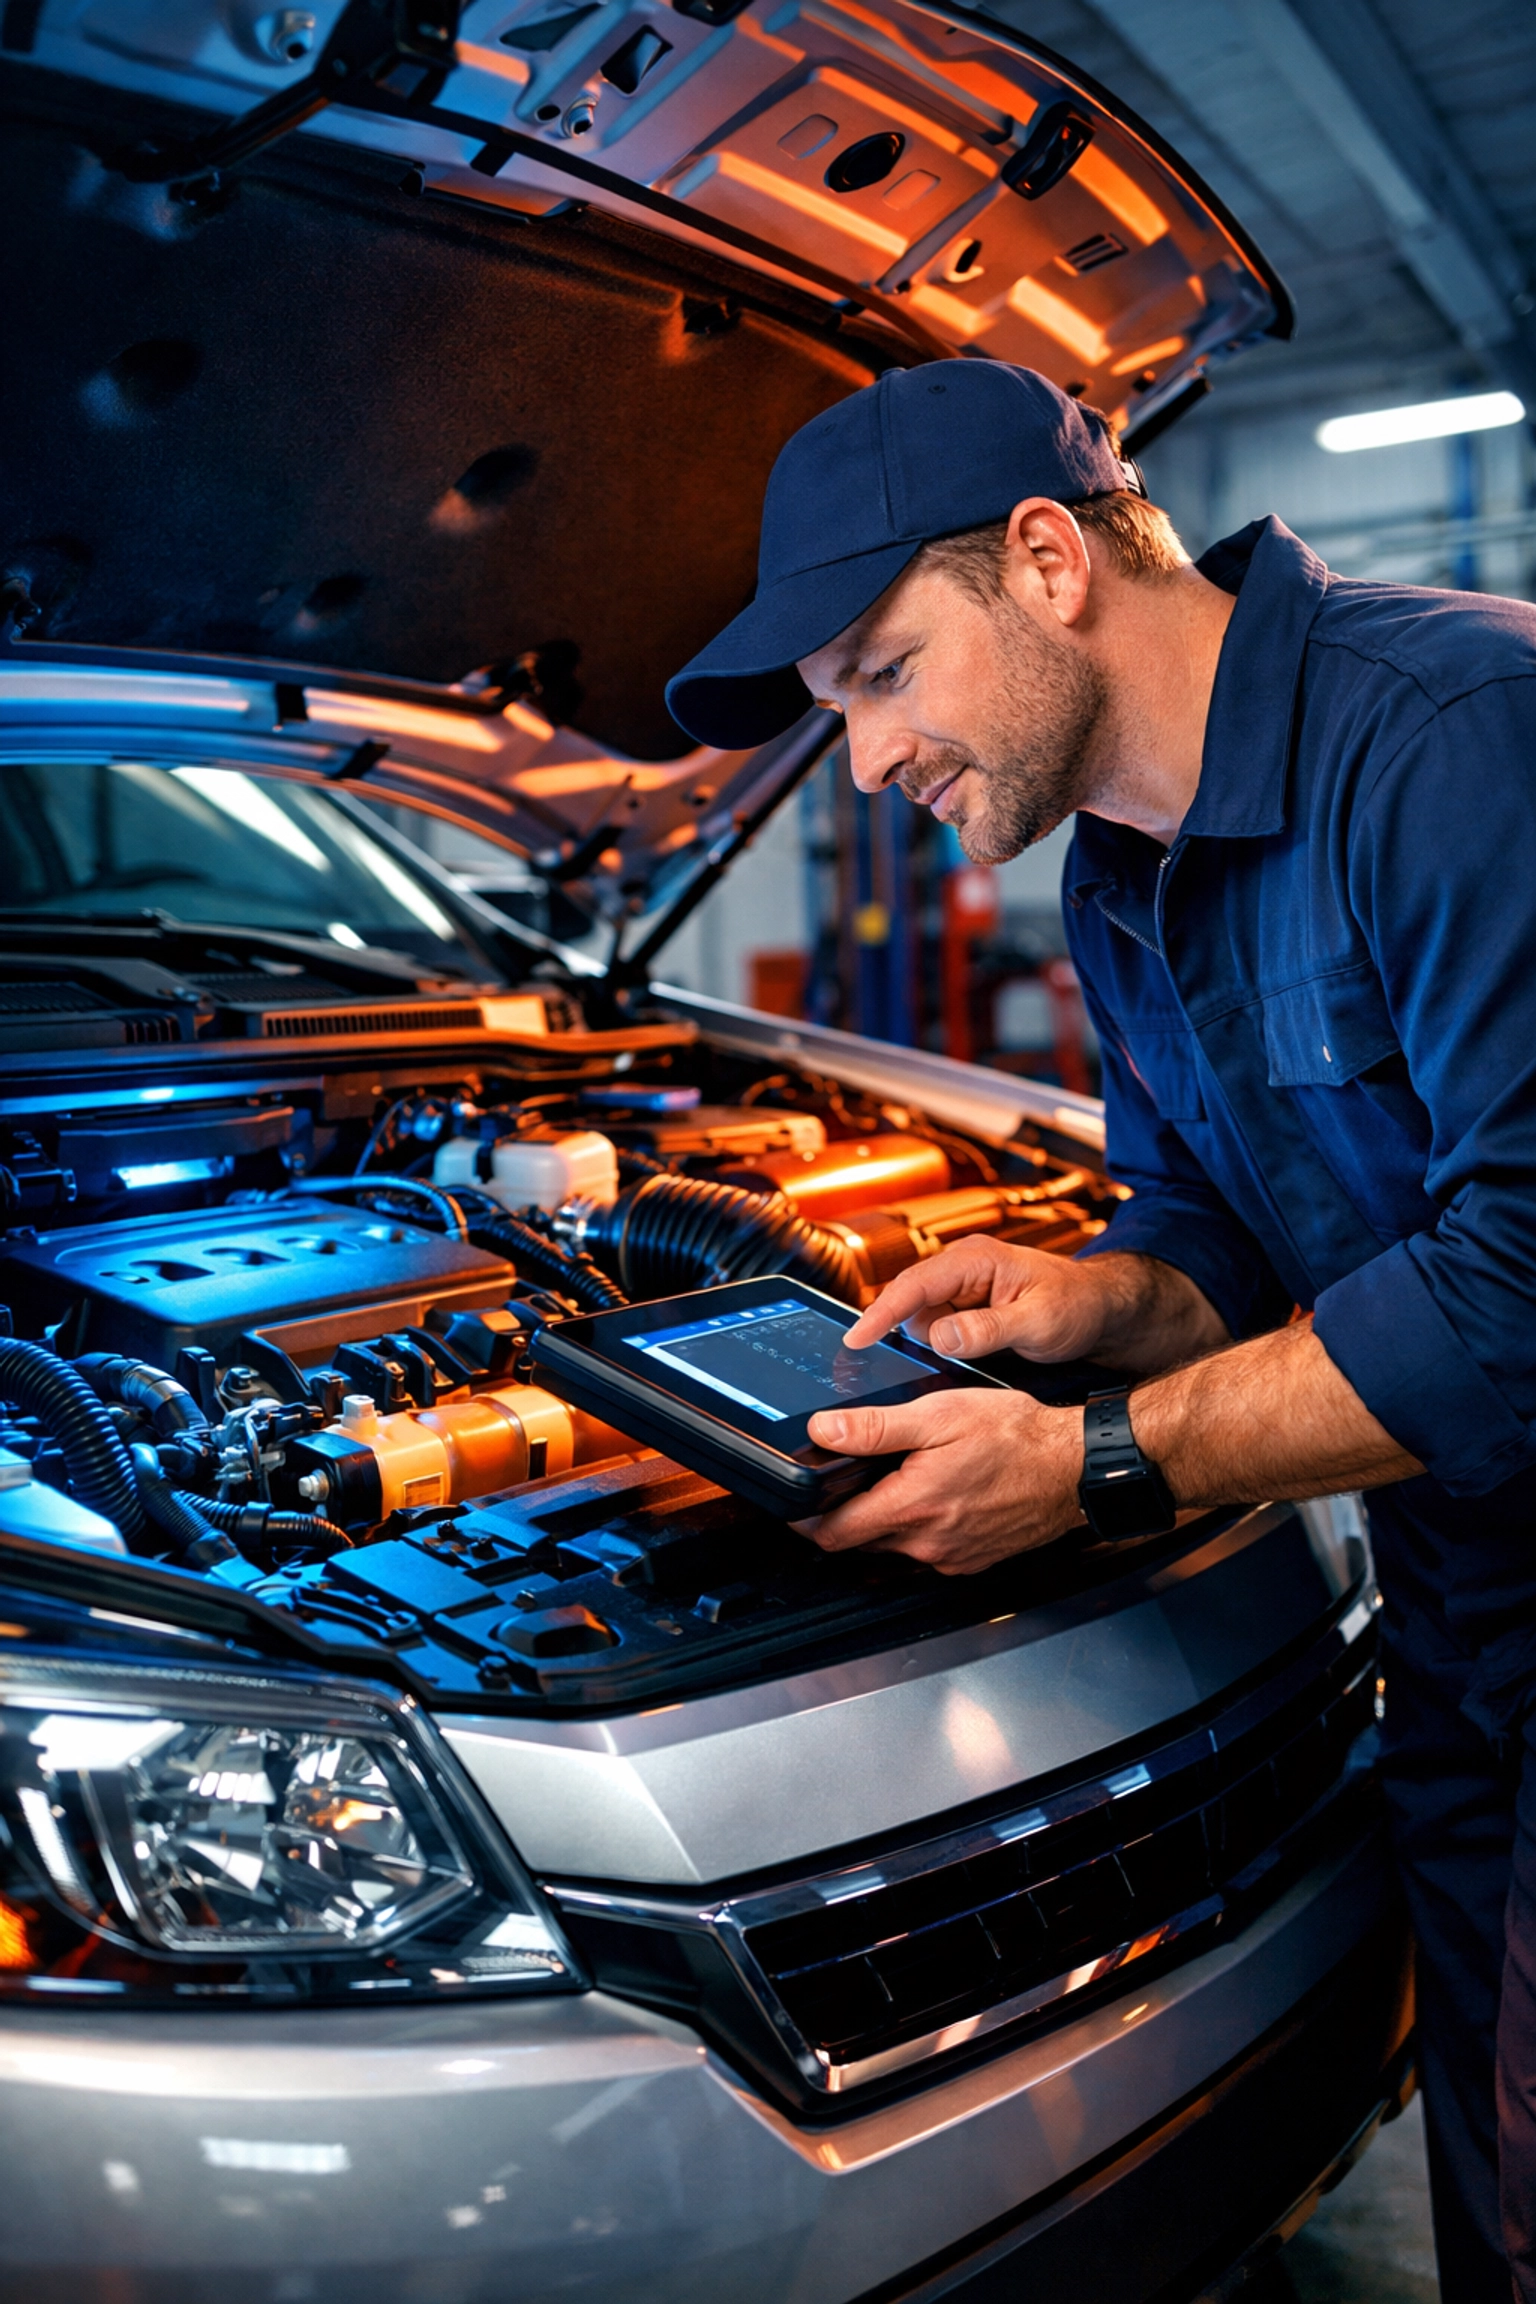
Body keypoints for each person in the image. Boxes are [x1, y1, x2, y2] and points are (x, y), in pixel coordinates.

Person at [665, 360, 1536, 2303]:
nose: (867, 765)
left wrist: (1098, 1463)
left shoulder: (1465, 737)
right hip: (1461, 1600)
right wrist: (1103, 1302)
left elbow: (1529, 1272)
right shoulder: (1124, 884)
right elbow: (1228, 1219)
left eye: (881, 675)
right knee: (1486, 2145)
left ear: (1048, 559)